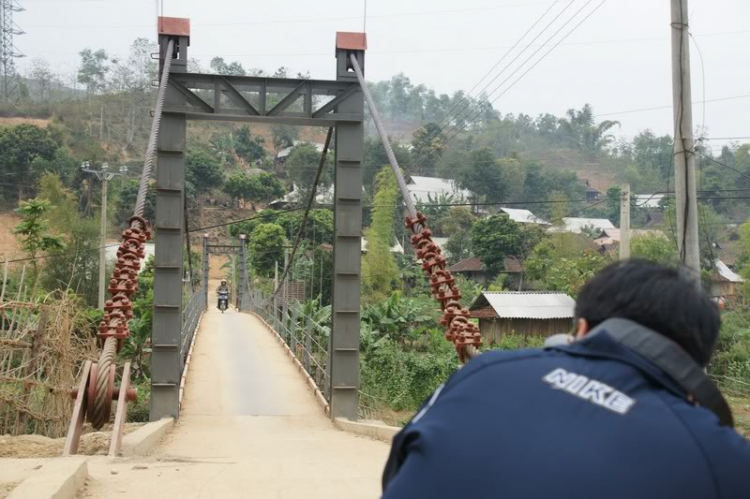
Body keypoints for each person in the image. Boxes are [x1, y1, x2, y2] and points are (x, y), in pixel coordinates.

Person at [381, 260, 750, 498]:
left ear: (581, 328)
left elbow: (396, 476)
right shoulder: (723, 459)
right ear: (695, 361)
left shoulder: (481, 372)